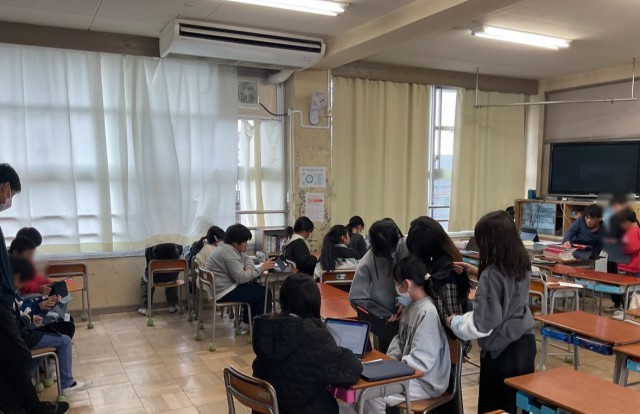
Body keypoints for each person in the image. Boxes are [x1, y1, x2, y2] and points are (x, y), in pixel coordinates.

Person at [448, 211, 536, 413]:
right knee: (518, 405)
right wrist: (475, 271)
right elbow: (506, 286)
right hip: (525, 343)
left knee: (495, 408)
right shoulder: (522, 263)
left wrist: (454, 322)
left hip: (501, 351)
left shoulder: (491, 275)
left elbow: (483, 323)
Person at [0, 163, 69, 414]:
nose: (9, 200)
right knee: (18, 355)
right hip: (5, 305)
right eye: (12, 194)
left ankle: (18, 407)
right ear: (5, 187)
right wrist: (35, 305)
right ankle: (32, 407)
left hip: (9, 305)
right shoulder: (16, 263)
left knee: (11, 357)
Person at [252, 274, 362, 414]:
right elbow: (351, 372)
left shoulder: (267, 330)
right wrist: (343, 353)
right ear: (314, 301)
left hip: (268, 409)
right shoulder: (315, 336)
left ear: (282, 299)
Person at [366, 255, 451, 413]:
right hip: (408, 373)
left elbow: (422, 360)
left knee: (371, 394)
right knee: (364, 387)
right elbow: (400, 340)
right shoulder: (411, 306)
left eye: (396, 283)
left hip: (425, 382)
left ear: (406, 284)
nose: (395, 287)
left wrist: (393, 370)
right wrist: (388, 362)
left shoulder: (428, 311)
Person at [12, 256, 86, 396]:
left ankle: (28, 376)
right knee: (64, 340)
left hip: (26, 329)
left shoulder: (12, 291)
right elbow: (18, 317)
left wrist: (42, 304)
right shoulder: (9, 294)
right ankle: (67, 383)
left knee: (65, 323)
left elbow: (22, 311)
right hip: (23, 335)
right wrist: (37, 309)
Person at [406, 216, 472, 354]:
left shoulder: (443, 267)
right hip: (442, 340)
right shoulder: (442, 259)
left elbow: (450, 315)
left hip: (448, 345)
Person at [349, 219, 409, 352]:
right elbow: (356, 298)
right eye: (387, 251)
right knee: (388, 354)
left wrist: (406, 302)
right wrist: (379, 315)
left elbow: (418, 280)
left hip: (412, 316)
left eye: (393, 248)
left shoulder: (407, 248)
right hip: (387, 320)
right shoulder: (369, 259)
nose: (391, 253)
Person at [207, 224, 275, 329]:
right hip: (223, 292)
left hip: (222, 287)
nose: (246, 244)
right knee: (265, 293)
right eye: (245, 241)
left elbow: (247, 259)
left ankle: (246, 324)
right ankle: (263, 328)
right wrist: (262, 268)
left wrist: (248, 268)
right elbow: (241, 278)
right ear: (235, 242)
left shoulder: (226, 246)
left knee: (254, 288)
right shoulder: (228, 253)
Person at [138, 243, 183, 316]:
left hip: (155, 278)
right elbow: (180, 251)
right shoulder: (177, 247)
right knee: (173, 279)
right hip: (172, 277)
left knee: (145, 279)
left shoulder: (150, 248)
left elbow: (148, 266)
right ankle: (173, 305)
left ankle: (145, 307)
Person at [605, 195, 631, 312]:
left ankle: (625, 307)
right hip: (612, 253)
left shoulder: (629, 218)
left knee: (622, 280)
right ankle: (616, 304)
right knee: (611, 278)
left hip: (623, 256)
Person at [13, 227, 51, 296]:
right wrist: (37, 289)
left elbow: (35, 277)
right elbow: (21, 285)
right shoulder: (15, 262)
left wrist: (48, 283)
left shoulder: (28, 259)